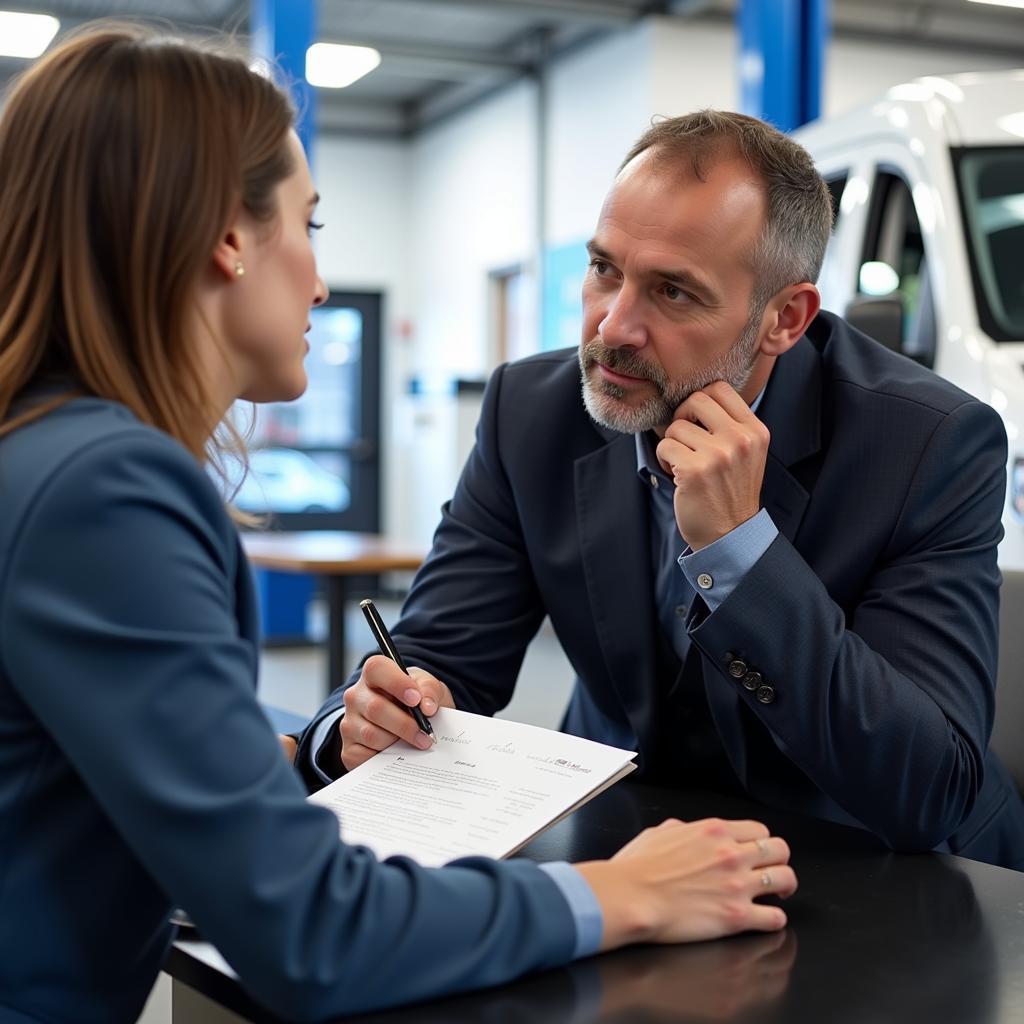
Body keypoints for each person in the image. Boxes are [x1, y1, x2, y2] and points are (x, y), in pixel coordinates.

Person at [0, 25, 800, 1024]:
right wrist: (622, 891)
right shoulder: (105, 490)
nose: (321, 281)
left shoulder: (43, 455)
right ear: (228, 237)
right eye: (312, 225)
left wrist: (304, 748)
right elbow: (310, 928)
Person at [302, 109, 1024, 870]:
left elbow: (928, 787)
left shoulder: (927, 442)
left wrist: (742, 551)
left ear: (784, 318)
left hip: (883, 874)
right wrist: (373, 713)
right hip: (632, 839)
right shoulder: (533, 412)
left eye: (673, 293)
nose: (613, 327)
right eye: (605, 269)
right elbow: (438, 653)